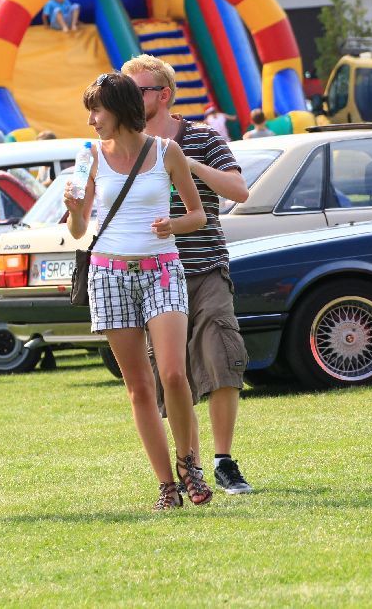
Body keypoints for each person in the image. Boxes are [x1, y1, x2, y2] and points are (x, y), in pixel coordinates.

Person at [66, 73, 210, 510]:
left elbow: (198, 215)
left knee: (172, 374)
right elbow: (77, 229)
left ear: (121, 109)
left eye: (97, 110)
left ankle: (191, 465)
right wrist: (74, 212)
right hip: (108, 274)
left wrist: (174, 225)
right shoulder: (87, 156)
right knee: (139, 388)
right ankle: (167, 484)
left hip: (162, 268)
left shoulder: (168, 151)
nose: (91, 120)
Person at [123, 54, 254, 495]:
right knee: (171, 376)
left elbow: (239, 190)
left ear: (162, 95)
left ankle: (223, 460)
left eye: (138, 90)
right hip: (155, 273)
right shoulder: (125, 145)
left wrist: (185, 163)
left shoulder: (201, 137)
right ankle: (190, 466)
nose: (130, 97)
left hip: (205, 267)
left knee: (221, 356)